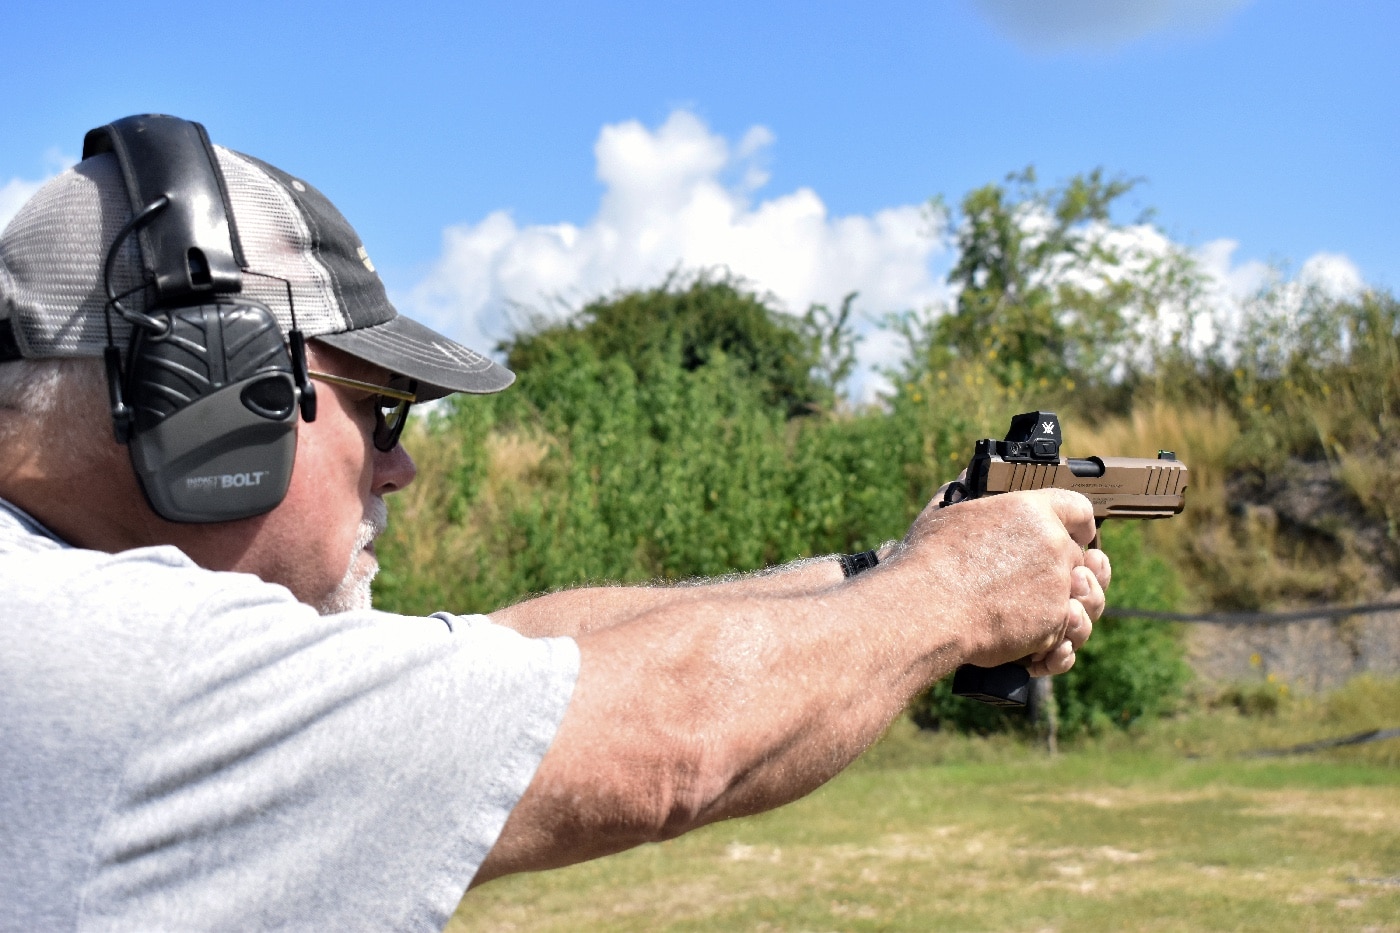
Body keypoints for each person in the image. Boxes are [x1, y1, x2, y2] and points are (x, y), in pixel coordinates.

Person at [0, 116, 1108, 931]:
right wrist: (955, 595)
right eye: (378, 410)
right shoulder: (122, 671)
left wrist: (891, 566)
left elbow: (522, 654)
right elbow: (669, 743)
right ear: (211, 398)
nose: (402, 466)